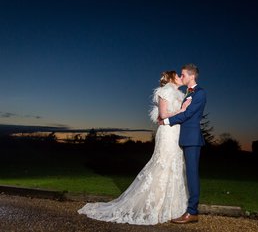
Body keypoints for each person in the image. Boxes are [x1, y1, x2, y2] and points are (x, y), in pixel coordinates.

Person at [78, 71, 192, 225]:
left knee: (176, 166)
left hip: (177, 133)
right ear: (171, 78)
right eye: (177, 75)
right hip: (167, 133)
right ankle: (154, 205)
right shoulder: (164, 91)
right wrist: (182, 110)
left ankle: (172, 208)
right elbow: (164, 114)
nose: (180, 77)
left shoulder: (180, 94)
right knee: (163, 164)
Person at [159, 63, 206, 224]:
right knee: (188, 174)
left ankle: (192, 212)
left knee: (192, 175)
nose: (181, 77)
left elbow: (187, 114)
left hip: (192, 139)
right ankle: (189, 209)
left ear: (192, 76)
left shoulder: (199, 93)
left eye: (183, 74)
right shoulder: (187, 94)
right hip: (185, 138)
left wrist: (166, 121)